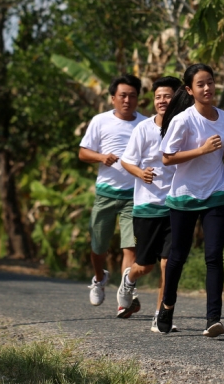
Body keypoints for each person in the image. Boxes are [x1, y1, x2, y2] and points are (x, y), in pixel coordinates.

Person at [157, 64, 224, 337]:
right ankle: (167, 307)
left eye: (211, 83)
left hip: (216, 192)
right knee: (178, 256)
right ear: (190, 90)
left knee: (214, 256)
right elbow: (167, 158)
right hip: (185, 195)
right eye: (200, 84)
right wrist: (201, 149)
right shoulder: (183, 120)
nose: (207, 88)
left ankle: (213, 318)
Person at [78, 75, 147, 317]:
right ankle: (99, 278)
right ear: (113, 98)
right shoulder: (100, 121)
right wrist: (100, 157)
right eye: (123, 95)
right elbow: (83, 153)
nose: (127, 100)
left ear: (139, 98)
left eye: (132, 96)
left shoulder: (145, 124)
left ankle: (124, 296)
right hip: (106, 193)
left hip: (134, 195)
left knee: (131, 248)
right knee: (98, 246)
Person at [119, 76, 182, 332]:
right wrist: (140, 173)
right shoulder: (143, 129)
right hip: (147, 206)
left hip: (175, 206)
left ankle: (160, 316)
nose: (162, 101)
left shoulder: (184, 126)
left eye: (167, 96)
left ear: (177, 97)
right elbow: (126, 161)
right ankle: (128, 278)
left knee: (168, 263)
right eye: (158, 97)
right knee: (144, 266)